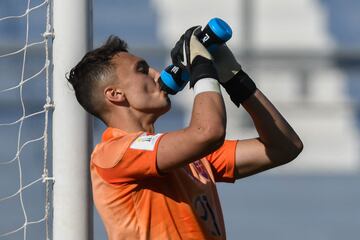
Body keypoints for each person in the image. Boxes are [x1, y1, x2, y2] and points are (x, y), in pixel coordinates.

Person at [67, 26, 303, 240]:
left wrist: (234, 78)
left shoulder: (188, 155)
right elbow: (207, 132)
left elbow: (284, 147)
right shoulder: (113, 153)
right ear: (115, 94)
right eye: (142, 70)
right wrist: (202, 68)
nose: (157, 74)